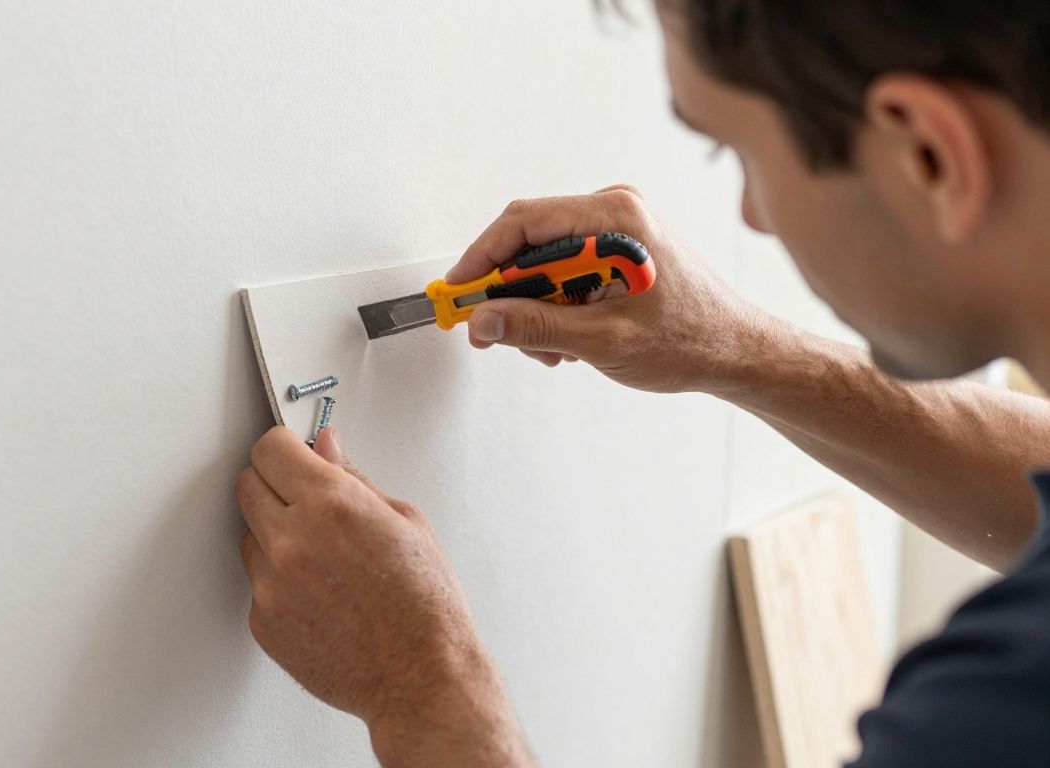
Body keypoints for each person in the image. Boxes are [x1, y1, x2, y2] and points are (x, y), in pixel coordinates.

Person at [234, 1, 1050, 765]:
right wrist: (738, 348)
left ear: (929, 154)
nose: (752, 217)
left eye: (739, 153)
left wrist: (421, 686)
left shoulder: (998, 706)